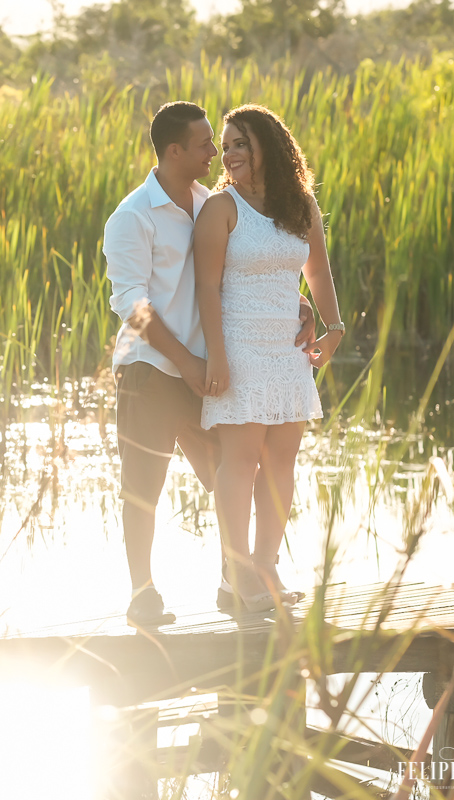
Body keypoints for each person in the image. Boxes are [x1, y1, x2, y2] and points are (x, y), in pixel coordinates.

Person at [105, 101, 315, 627]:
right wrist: (186, 362)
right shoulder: (132, 216)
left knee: (234, 471)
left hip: (209, 367)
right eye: (204, 145)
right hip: (152, 369)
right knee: (144, 484)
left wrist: (296, 303)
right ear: (174, 151)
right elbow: (132, 304)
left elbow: (238, 270)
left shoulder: (210, 202)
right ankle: (141, 592)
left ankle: (235, 580)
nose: (214, 153)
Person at [193, 104, 344, 612]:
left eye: (241, 143)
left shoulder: (300, 205)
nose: (230, 154)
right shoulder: (221, 207)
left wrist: (334, 325)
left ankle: (264, 565)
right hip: (238, 346)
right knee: (240, 460)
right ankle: (235, 574)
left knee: (282, 460)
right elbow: (207, 288)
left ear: (269, 148)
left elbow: (317, 271)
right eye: (227, 144)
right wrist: (217, 355)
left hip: (288, 350)